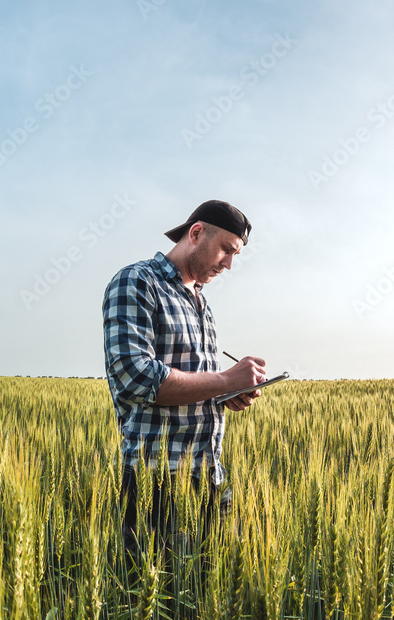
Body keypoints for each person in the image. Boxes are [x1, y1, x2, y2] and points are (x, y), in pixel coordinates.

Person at [102, 199, 266, 590]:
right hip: (154, 486)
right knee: (152, 600)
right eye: (227, 249)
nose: (229, 264)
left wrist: (226, 393)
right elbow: (135, 377)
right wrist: (225, 381)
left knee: (206, 595)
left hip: (208, 477)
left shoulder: (201, 303)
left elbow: (192, 383)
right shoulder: (137, 282)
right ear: (196, 233)